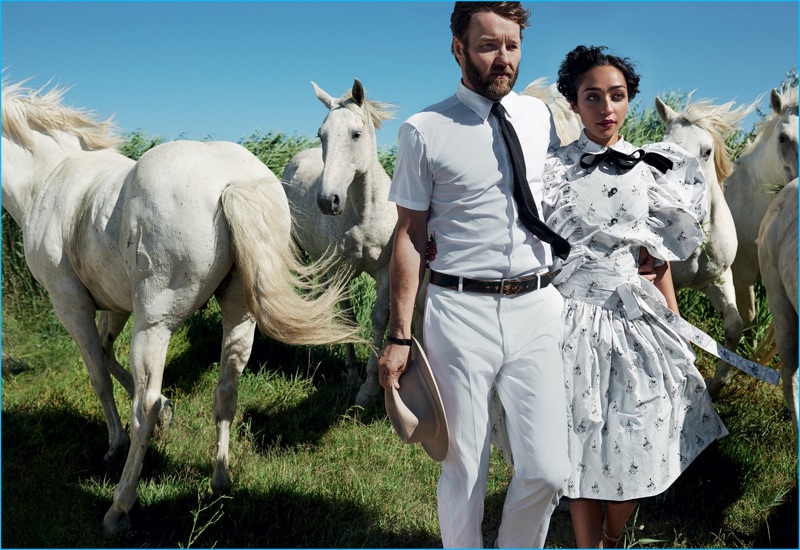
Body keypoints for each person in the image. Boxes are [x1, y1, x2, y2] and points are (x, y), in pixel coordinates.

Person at [377, 2, 571, 547]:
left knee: (548, 470)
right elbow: (411, 235)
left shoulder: (538, 117)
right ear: (458, 49)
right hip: (459, 311)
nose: (502, 59)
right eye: (488, 46)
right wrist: (399, 333)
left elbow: (563, 198)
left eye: (511, 46)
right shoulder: (423, 130)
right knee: (464, 469)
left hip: (538, 306)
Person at [541, 45, 729, 548]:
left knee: (633, 441)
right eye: (593, 96)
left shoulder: (654, 170)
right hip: (567, 321)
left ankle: (611, 534)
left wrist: (673, 323)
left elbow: (658, 259)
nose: (606, 108)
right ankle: (588, 546)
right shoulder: (550, 169)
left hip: (633, 321)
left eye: (617, 96)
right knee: (577, 443)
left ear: (629, 102)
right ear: (574, 102)